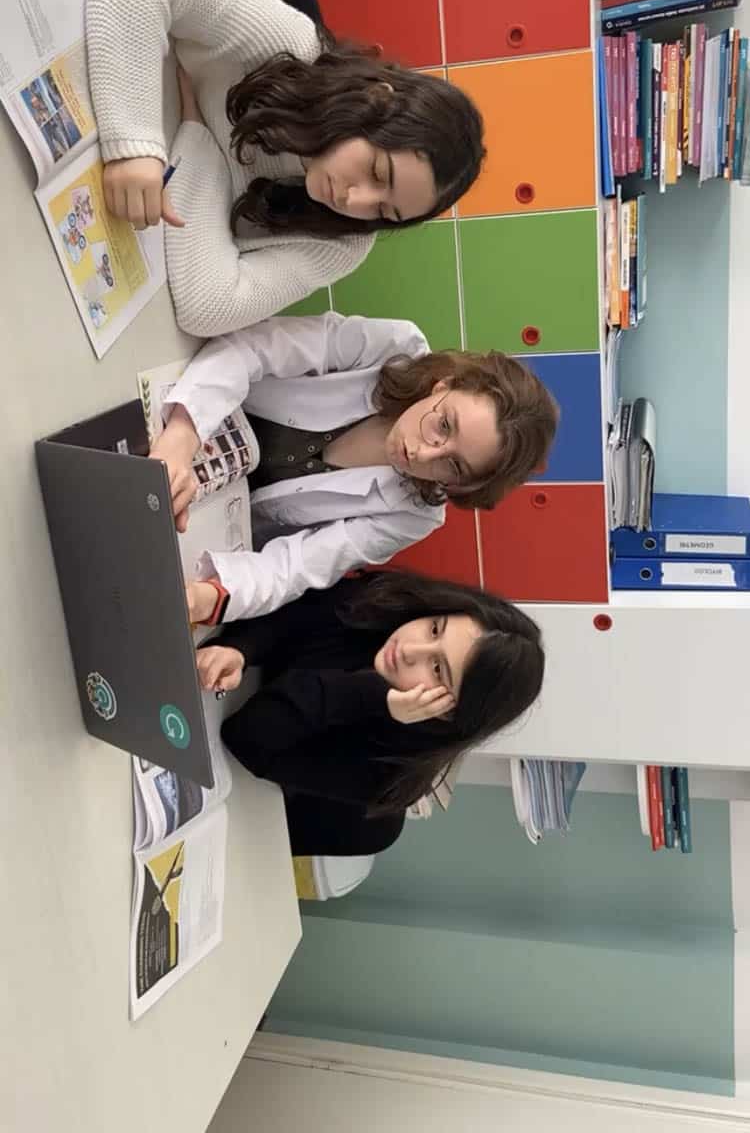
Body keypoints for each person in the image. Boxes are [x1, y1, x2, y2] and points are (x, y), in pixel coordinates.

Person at [85, 0, 486, 336]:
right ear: (376, 99)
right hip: (98, 97)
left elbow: (207, 308)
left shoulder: (344, 242)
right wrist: (134, 146)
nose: (354, 200)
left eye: (384, 212)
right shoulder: (290, 47)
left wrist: (199, 142)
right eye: (377, 172)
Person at [152, 311, 559, 623]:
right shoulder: (395, 348)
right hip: (178, 409)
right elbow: (255, 349)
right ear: (444, 385)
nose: (424, 454)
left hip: (198, 521)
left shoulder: (415, 516)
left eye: (453, 465)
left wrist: (209, 597)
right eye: (444, 425)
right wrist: (182, 436)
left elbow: (296, 567)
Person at [197, 570, 545, 856]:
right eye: (434, 629)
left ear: (449, 715)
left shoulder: (391, 775)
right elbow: (291, 611)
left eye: (438, 669)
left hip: (217, 794)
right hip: (209, 692)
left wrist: (370, 698)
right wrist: (241, 649)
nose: (410, 649)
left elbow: (244, 737)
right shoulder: (388, 603)